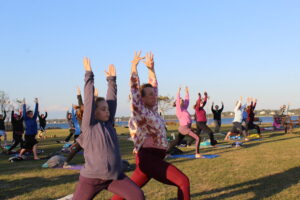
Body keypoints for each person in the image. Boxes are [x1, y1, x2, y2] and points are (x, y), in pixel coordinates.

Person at [112, 51, 190, 200]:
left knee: (125, 194)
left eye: (154, 94)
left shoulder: (153, 111)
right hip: (147, 157)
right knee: (183, 182)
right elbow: (135, 89)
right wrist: (134, 67)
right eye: (150, 94)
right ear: (141, 98)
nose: (154, 96)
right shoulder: (139, 111)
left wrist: (151, 69)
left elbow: (154, 85)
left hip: (153, 158)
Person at [72, 57, 144, 200]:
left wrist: (112, 80)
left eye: (108, 109)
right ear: (94, 112)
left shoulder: (109, 123)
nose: (108, 111)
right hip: (91, 179)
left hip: (114, 176)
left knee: (137, 196)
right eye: (103, 109)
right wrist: (89, 75)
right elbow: (88, 99)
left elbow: (112, 100)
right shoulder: (89, 126)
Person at [167, 86, 201, 157]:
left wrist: (187, 92)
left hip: (185, 128)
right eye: (180, 100)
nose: (182, 100)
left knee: (177, 141)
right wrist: (179, 91)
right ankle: (197, 154)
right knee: (198, 138)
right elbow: (178, 101)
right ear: (177, 103)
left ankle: (166, 152)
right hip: (184, 128)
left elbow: (187, 100)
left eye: (182, 99)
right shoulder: (178, 110)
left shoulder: (184, 108)